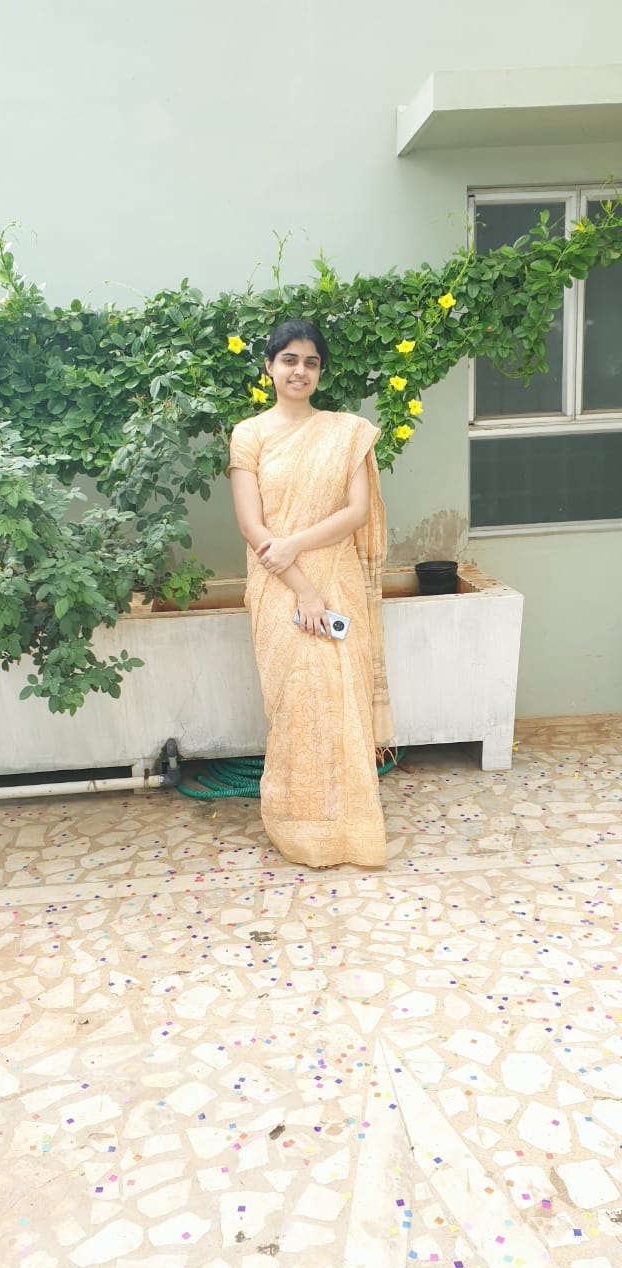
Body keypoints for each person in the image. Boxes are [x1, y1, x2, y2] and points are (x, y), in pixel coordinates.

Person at [227, 318, 394, 868]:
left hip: (335, 578)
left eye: (311, 362)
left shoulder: (346, 432)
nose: (300, 371)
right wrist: (302, 589)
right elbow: (252, 525)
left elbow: (357, 512)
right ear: (269, 367)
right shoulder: (249, 434)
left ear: (320, 372)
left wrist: (296, 546)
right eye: (290, 360)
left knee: (342, 701)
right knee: (297, 705)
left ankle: (351, 828)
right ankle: (299, 827)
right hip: (278, 585)